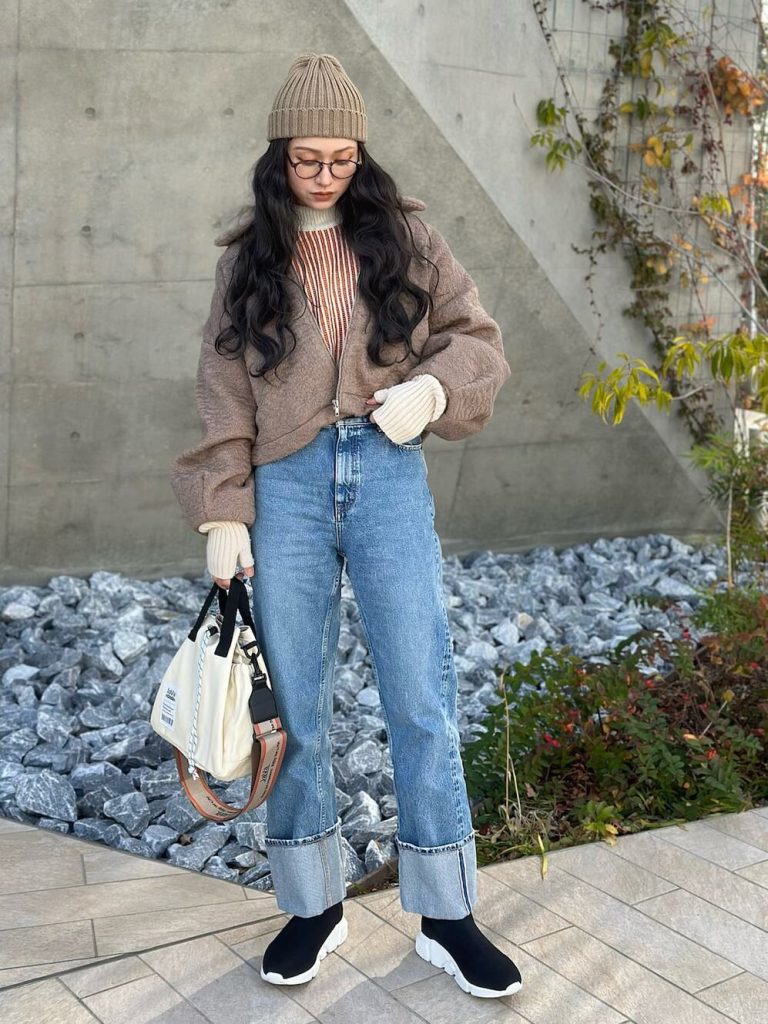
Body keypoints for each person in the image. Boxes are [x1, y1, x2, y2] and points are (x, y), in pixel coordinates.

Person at [170, 52, 521, 999]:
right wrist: (223, 511)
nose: (324, 175)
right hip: (283, 489)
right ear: (278, 156)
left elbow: (476, 338)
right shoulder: (249, 256)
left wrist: (432, 389)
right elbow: (221, 386)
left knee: (421, 696)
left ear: (360, 154)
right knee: (294, 710)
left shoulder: (405, 236)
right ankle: (313, 907)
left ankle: (447, 916)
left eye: (341, 158)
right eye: (306, 159)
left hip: (388, 476)